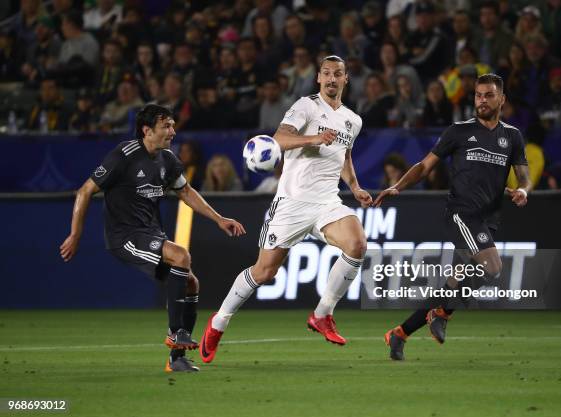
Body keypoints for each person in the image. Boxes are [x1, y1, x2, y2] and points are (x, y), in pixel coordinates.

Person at [200, 55, 372, 364]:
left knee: (357, 244)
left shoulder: (353, 120)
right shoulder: (305, 106)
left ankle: (322, 315)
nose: (332, 79)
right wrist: (314, 138)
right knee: (264, 272)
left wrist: (355, 187)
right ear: (319, 78)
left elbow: (343, 156)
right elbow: (278, 139)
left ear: (346, 79)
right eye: (327, 73)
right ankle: (219, 322)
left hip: (327, 202)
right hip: (291, 203)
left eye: (338, 74)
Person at [59, 104, 245, 372]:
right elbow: (85, 191)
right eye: (166, 126)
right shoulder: (124, 155)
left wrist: (219, 218)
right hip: (125, 236)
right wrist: (75, 234)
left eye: (172, 125)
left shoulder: (168, 160)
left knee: (191, 283)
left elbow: (186, 191)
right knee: (181, 255)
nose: (172, 130)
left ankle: (177, 358)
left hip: (150, 233)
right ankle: (174, 333)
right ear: (147, 131)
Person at [373, 73, 531, 361]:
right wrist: (398, 186)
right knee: (492, 269)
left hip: (488, 219)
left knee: (455, 283)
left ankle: (400, 334)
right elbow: (424, 166)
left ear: (502, 99)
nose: (482, 100)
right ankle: (442, 313)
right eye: (478, 95)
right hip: (462, 214)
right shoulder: (458, 131)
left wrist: (523, 189)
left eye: (489, 95)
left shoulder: (512, 136)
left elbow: (524, 174)